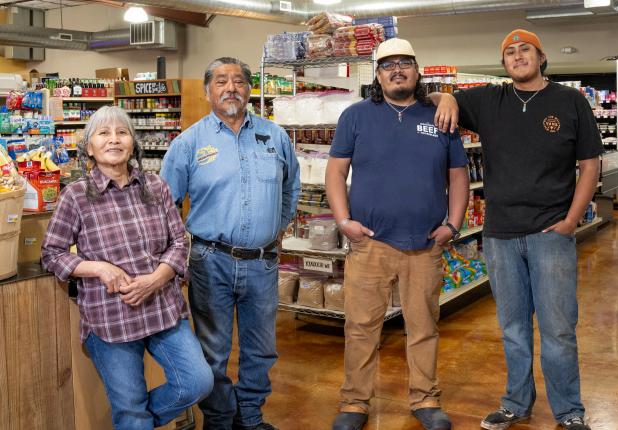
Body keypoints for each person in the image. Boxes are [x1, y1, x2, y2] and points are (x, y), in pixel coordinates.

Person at [431, 29, 602, 430]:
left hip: (551, 236)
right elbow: (434, 98)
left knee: (559, 329)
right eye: (509, 52)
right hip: (500, 236)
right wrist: (450, 96)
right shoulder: (490, 100)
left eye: (525, 49)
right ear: (504, 63)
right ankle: (516, 403)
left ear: (541, 58)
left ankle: (569, 411)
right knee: (512, 329)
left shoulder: (570, 101)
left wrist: (572, 221)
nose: (517, 55)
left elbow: (590, 165)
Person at [325, 38, 470, 430]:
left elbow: (459, 177)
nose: (397, 70)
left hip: (425, 245)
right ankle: (354, 403)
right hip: (369, 243)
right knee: (360, 328)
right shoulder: (355, 116)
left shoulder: (440, 114)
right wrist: (343, 221)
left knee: (423, 327)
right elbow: (335, 173)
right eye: (388, 65)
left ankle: (425, 399)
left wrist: (453, 225)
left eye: (405, 63)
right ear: (377, 74)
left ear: (418, 70)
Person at [41, 105, 214, 430]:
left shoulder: (155, 187)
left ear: (133, 143)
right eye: (103, 133)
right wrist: (98, 269)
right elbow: (51, 253)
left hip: (162, 311)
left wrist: (158, 277)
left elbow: (179, 242)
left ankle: (134, 421)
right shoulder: (75, 196)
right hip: (111, 320)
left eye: (122, 132)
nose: (114, 139)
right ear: (89, 147)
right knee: (130, 411)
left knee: (197, 382)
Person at [160, 57, 300, 430]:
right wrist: (177, 259)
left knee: (261, 348)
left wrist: (276, 228)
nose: (230, 87)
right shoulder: (188, 143)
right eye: (221, 81)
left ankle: (250, 418)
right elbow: (165, 204)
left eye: (238, 80)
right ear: (208, 91)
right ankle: (220, 420)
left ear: (249, 89)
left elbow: (291, 189)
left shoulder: (275, 136)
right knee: (213, 351)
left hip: (263, 262)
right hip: (209, 261)